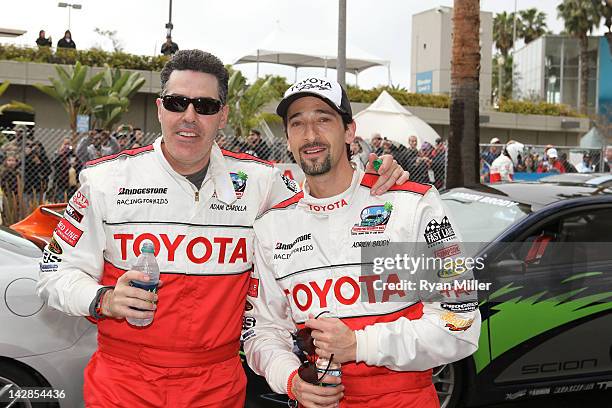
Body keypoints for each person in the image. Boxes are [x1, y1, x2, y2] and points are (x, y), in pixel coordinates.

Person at [36, 50, 408, 408]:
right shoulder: (105, 180)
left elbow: (326, 187)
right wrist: (103, 299)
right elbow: (54, 272)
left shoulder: (262, 181)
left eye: (206, 106)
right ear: (159, 108)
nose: (190, 116)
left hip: (216, 384)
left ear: (223, 115)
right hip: (124, 383)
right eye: (177, 102)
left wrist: (373, 172)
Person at [242, 77, 480, 407]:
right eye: (298, 124)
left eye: (323, 119)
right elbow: (264, 330)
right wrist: (291, 379)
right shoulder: (273, 225)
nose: (311, 135)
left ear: (350, 131)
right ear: (288, 138)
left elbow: (461, 320)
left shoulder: (411, 204)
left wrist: (359, 344)